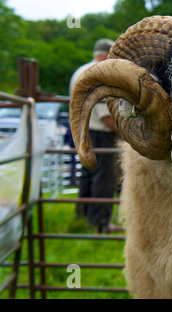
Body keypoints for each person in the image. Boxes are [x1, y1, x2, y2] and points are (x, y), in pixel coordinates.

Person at [69, 38, 122, 233]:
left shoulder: (80, 70)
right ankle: (100, 223)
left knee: (88, 173)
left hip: (82, 130)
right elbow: (105, 114)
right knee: (104, 176)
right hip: (101, 132)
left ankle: (82, 216)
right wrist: (125, 133)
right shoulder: (100, 73)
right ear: (108, 53)